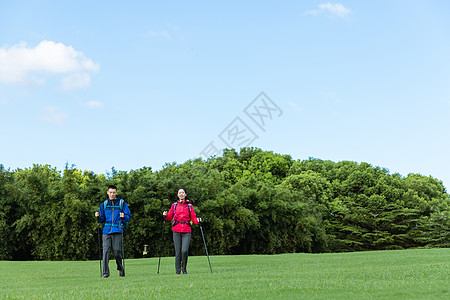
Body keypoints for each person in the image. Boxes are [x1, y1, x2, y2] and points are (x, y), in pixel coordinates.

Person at [95, 185, 131, 278]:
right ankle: (105, 273)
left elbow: (128, 217)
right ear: (107, 192)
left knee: (117, 251)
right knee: (106, 252)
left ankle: (120, 268)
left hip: (118, 230)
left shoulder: (122, 203)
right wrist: (98, 216)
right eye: (110, 192)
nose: (112, 194)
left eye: (114, 192)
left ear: (116, 193)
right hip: (106, 231)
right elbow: (101, 219)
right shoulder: (104, 204)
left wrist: (124, 216)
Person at [163, 188, 201, 274]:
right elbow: (169, 217)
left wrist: (198, 221)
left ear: (185, 194)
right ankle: (178, 270)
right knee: (178, 252)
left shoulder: (189, 206)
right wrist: (165, 215)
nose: (181, 194)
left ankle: (184, 268)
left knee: (184, 250)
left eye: (182, 193)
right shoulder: (174, 205)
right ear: (177, 195)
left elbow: (193, 217)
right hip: (176, 230)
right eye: (179, 193)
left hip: (187, 230)